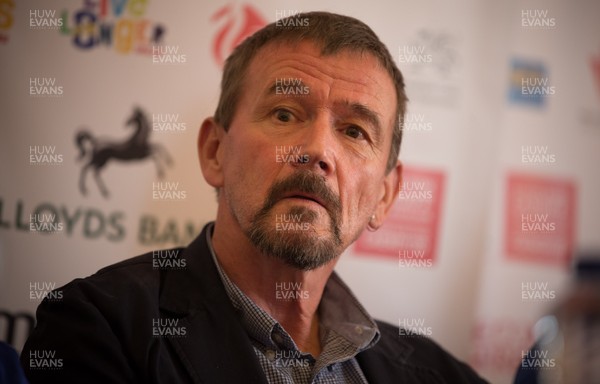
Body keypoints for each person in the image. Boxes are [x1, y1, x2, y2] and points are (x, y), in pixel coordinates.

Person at [21, 11, 487, 383]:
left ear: (385, 196)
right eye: (284, 114)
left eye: (353, 131)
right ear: (214, 152)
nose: (317, 151)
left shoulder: (440, 374)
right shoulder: (98, 327)